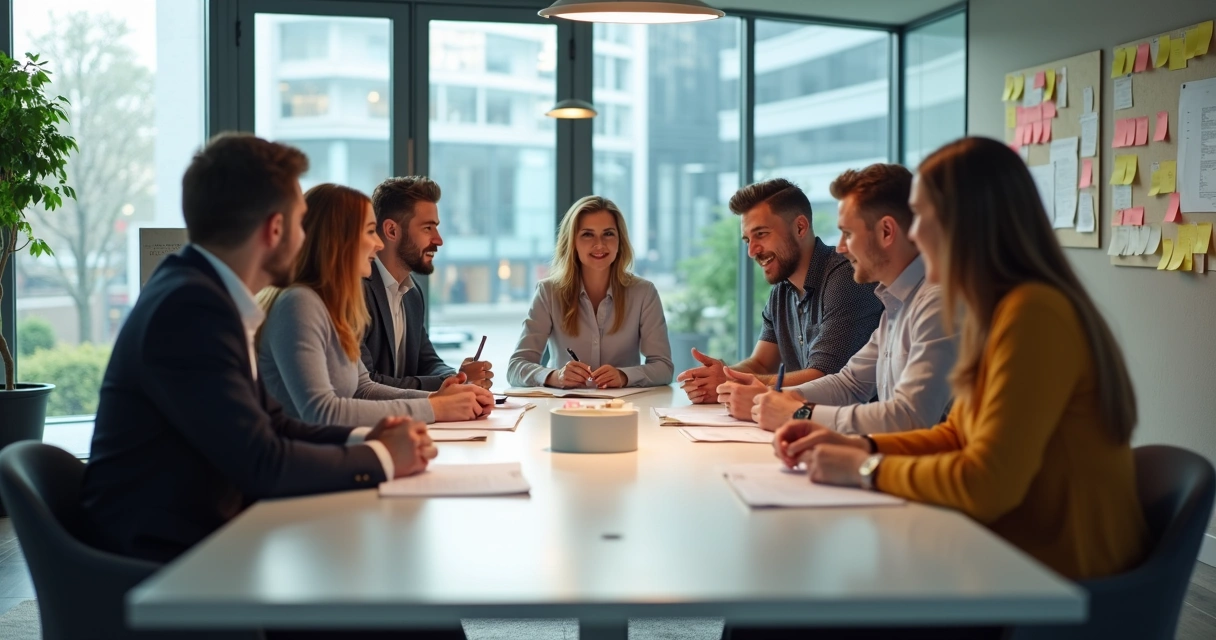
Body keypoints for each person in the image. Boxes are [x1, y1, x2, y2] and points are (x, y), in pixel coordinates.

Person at [773, 137, 1148, 581]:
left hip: (1053, 581)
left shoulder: (1033, 314)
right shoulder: (1001, 308)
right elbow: (958, 433)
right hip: (1015, 555)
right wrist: (860, 445)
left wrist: (865, 467)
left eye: (923, 218)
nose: (913, 233)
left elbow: (988, 483)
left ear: (963, 224)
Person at [79, 134, 437, 564]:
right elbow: (262, 464)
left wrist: (369, 436)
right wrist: (379, 458)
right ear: (275, 229)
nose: (310, 237)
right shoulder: (192, 310)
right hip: (167, 563)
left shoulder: (202, 295)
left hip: (203, 535)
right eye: (303, 221)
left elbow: (273, 425)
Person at [717, 164, 957, 435]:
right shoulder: (896, 303)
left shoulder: (938, 303)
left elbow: (911, 416)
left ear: (887, 232)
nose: (841, 247)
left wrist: (797, 413)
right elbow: (850, 383)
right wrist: (778, 398)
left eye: (849, 234)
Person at [258, 183, 493, 427]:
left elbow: (363, 388)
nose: (379, 244)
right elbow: (321, 412)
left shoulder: (330, 304)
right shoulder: (299, 303)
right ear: (338, 239)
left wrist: (443, 398)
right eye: (371, 231)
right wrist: (434, 407)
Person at [677, 178, 882, 404]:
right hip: (801, 423)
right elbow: (761, 364)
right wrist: (719, 377)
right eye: (747, 240)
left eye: (761, 234)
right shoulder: (782, 291)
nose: (752, 251)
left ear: (800, 227)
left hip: (852, 430)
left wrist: (732, 383)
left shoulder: (846, 278)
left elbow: (823, 378)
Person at [507, 195, 673, 389]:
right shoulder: (548, 292)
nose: (599, 244)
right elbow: (515, 368)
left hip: (623, 410)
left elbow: (663, 368)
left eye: (608, 234)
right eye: (587, 234)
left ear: (620, 241)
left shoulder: (644, 293)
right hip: (564, 411)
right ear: (572, 242)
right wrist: (555, 376)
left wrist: (623, 376)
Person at [362, 176, 492, 391]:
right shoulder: (357, 291)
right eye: (427, 228)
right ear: (392, 231)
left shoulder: (412, 294)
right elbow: (367, 384)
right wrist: (450, 382)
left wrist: (458, 377)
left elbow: (428, 361)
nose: (438, 239)